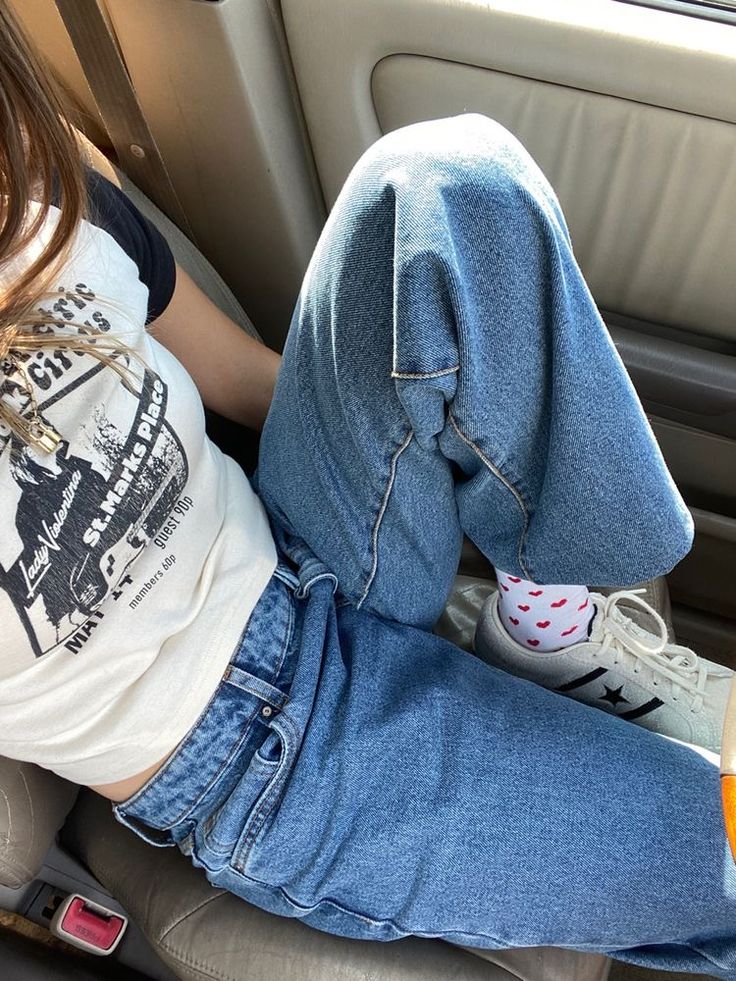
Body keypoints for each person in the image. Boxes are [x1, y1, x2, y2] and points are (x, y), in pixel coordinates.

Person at [0, 4, 734, 976]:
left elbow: (238, 380)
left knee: (440, 181)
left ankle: (545, 619)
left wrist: (412, 411)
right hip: (253, 752)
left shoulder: (35, 182)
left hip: (293, 536)